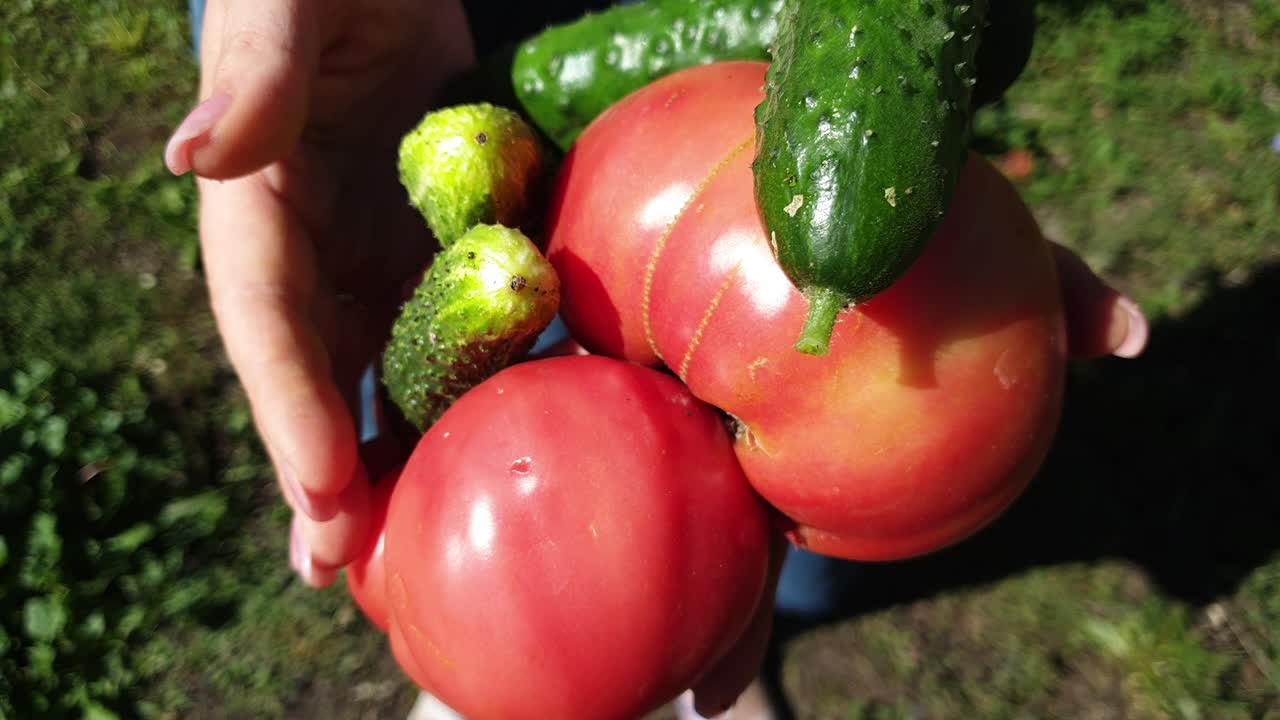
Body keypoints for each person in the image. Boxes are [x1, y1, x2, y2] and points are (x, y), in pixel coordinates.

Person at [168, 1, 1150, 718]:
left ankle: (726, 633)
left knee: (783, 565)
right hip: (503, 60)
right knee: (416, 336)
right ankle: (613, 646)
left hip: (666, 156)